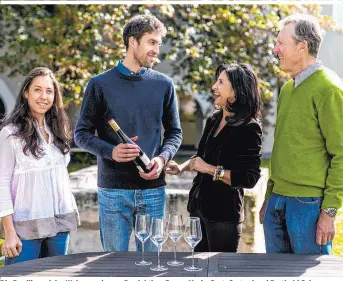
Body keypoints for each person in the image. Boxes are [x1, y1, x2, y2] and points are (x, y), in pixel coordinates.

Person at [74, 14, 182, 252]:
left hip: (153, 190)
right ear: (133, 42)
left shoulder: (164, 85)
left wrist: (161, 159)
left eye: (158, 44)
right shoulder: (100, 84)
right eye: (151, 42)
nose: (156, 50)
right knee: (113, 266)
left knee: (153, 265)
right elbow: (81, 134)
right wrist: (111, 151)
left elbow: (175, 133)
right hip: (113, 192)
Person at [259, 14, 343, 254]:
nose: (275, 49)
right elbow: (282, 148)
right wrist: (269, 196)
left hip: (309, 205)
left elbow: (341, 155)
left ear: (302, 46)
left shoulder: (329, 88)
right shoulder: (287, 89)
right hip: (278, 200)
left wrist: (329, 212)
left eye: (280, 43)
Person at [166, 63, 262, 252]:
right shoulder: (213, 120)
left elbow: (249, 178)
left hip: (223, 216)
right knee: (197, 269)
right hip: (198, 208)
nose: (214, 87)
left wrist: (210, 170)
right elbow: (202, 157)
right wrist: (181, 167)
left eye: (220, 82)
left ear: (236, 90)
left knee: (221, 271)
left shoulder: (249, 127)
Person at [0, 67, 79, 265]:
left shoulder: (59, 130)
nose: (44, 96)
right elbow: (2, 183)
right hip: (26, 226)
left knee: (57, 277)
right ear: (26, 93)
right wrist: (9, 233)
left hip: (60, 223)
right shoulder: (11, 134)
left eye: (49, 91)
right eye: (37, 90)